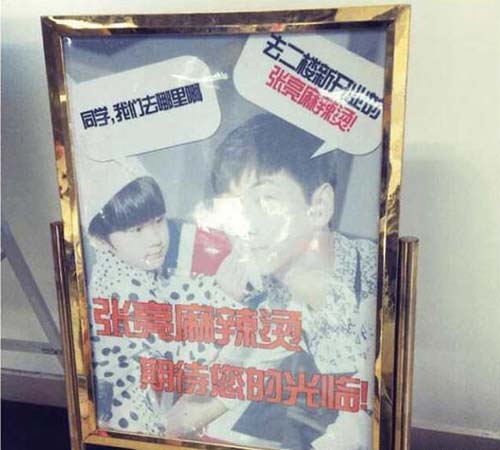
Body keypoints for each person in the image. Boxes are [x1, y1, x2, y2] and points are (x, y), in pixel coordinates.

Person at [165, 113, 378, 450]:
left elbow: (361, 429)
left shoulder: (373, 287)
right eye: (234, 207)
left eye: (266, 200)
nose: (245, 225)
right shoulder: (280, 296)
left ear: (319, 205)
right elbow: (217, 392)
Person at [82, 158, 239, 437]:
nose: (155, 238)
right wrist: (226, 297)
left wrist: (217, 287)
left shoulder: (125, 262)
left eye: (158, 221)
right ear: (102, 239)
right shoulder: (121, 288)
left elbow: (171, 293)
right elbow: (186, 362)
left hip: (144, 401)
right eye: (137, 230)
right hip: (131, 420)